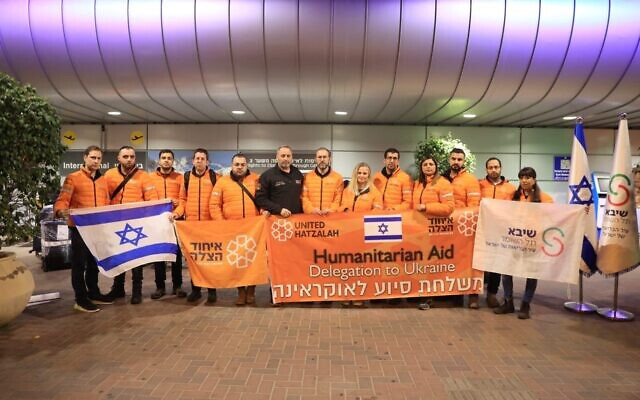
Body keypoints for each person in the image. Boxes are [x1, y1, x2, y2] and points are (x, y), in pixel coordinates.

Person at [54, 145, 112, 312]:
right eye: (93, 157)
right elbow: (63, 198)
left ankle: (94, 293)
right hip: (79, 229)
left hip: (97, 228)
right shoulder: (73, 178)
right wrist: (59, 211)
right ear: (85, 158)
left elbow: (106, 203)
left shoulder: (103, 180)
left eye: (99, 158)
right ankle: (80, 299)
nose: (96, 161)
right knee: (79, 265)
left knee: (94, 264)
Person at [494, 167, 553, 319]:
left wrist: (580, 211)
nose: (525, 180)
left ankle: (525, 305)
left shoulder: (545, 198)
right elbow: (501, 212)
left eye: (528, 177)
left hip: (534, 243)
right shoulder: (512, 196)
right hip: (513, 241)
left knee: (531, 274)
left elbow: (555, 216)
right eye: (522, 177)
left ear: (534, 179)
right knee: (506, 272)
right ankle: (508, 302)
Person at [104, 146, 159, 304]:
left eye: (132, 156)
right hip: (115, 224)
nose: (129, 159)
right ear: (119, 158)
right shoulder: (109, 175)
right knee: (118, 259)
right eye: (126, 156)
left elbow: (152, 199)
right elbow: (104, 198)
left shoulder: (143, 176)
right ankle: (118, 289)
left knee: (137, 260)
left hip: (136, 225)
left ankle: (137, 291)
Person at [210, 153, 261, 306]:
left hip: (254, 229)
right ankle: (241, 291)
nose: (239, 167)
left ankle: (251, 290)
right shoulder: (222, 182)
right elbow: (214, 205)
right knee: (236, 261)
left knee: (253, 261)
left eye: (242, 164)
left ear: (247, 165)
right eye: (236, 164)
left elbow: (264, 199)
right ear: (232, 166)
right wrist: (222, 223)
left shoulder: (257, 179)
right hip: (232, 229)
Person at [255, 145, 304, 305]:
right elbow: (260, 199)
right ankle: (276, 293)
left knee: (295, 261)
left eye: (288, 156)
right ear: (276, 157)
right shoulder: (267, 176)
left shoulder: (298, 175)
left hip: (296, 227)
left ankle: (294, 292)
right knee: (277, 262)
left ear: (292, 157)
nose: (285, 158)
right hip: (276, 227)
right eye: (282, 155)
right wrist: (278, 209)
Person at [173, 148, 220, 304]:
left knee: (211, 260)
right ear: (193, 161)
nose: (199, 161)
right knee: (193, 260)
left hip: (209, 226)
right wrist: (177, 213)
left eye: (202, 158)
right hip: (191, 227)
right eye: (197, 158)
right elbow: (182, 201)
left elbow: (220, 201)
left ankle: (212, 291)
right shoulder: (186, 178)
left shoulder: (215, 177)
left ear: (207, 161)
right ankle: (196, 290)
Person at [412, 156, 455, 309]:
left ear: (436, 167)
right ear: (421, 167)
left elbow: (449, 207)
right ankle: (419, 292)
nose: (428, 167)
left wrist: (426, 207)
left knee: (432, 265)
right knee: (419, 264)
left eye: (431, 164)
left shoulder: (443, 183)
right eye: (425, 164)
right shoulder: (417, 184)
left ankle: (430, 297)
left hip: (436, 231)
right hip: (418, 231)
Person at [339, 162, 383, 308]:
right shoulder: (347, 190)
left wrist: (363, 218)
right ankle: (346, 295)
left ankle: (360, 296)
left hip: (365, 234)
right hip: (347, 233)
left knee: (362, 267)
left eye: (365, 173)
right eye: (359, 173)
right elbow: (340, 206)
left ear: (368, 175)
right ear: (355, 174)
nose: (362, 176)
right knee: (346, 266)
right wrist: (344, 210)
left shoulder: (374, 192)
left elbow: (378, 210)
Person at [444, 148, 482, 309]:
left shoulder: (470, 180)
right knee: (452, 261)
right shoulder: (441, 179)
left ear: (464, 161)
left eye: (459, 159)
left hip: (465, 226)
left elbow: (474, 205)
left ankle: (473, 296)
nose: (456, 162)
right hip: (446, 228)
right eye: (453, 158)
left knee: (470, 262)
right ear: (448, 160)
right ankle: (456, 295)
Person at [478, 157, 517, 308]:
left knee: (497, 264)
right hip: (482, 229)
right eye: (490, 167)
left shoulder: (511, 188)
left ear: (501, 168)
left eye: (496, 167)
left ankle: (492, 294)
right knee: (480, 262)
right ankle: (474, 292)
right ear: (486, 169)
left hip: (501, 232)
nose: (493, 170)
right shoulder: (479, 185)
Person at [148, 149, 186, 299]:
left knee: (176, 255)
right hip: (157, 221)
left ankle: (177, 286)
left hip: (175, 220)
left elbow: (184, 200)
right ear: (159, 161)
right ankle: (160, 287)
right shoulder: (149, 178)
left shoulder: (180, 178)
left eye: (169, 158)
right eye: (163, 158)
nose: (166, 160)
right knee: (159, 255)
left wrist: (177, 212)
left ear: (173, 161)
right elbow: (147, 199)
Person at [302, 147, 344, 215]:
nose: (322, 159)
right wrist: (311, 210)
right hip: (311, 218)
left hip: (331, 219)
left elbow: (338, 199)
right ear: (315, 159)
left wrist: (331, 210)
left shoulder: (338, 178)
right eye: (319, 157)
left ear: (329, 159)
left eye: (324, 157)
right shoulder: (307, 177)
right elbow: (304, 197)